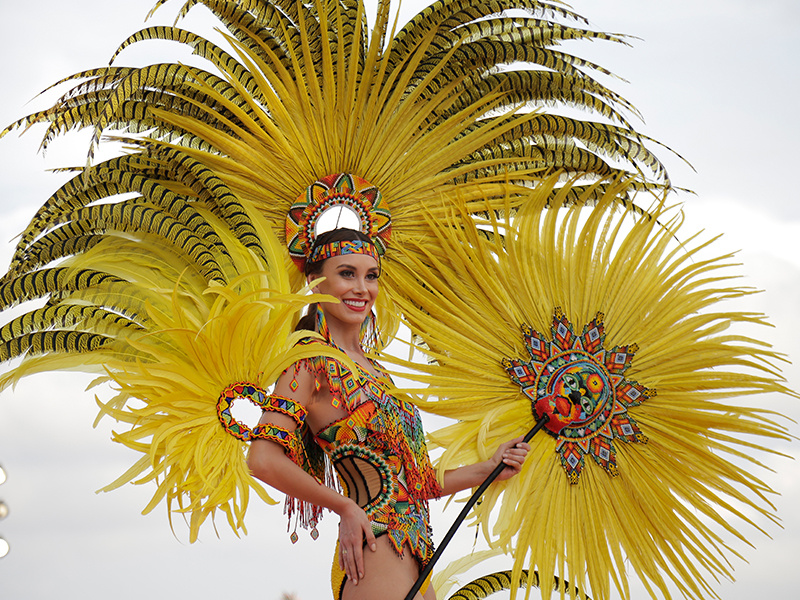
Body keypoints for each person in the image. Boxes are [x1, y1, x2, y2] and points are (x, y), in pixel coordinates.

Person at [248, 228, 530, 600]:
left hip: (417, 552)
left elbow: (414, 482)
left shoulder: (380, 373)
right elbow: (262, 458)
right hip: (375, 549)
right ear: (315, 283)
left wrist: (489, 467)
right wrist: (345, 507)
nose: (362, 288)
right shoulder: (310, 362)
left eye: (371, 275)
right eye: (347, 273)